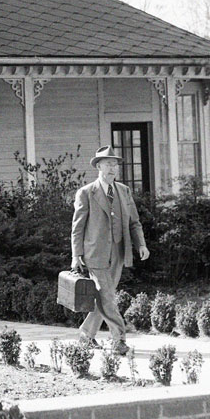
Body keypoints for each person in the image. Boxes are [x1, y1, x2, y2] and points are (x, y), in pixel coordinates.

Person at [70, 145, 149, 351]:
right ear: (98, 167)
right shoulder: (86, 193)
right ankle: (119, 339)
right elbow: (77, 228)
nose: (112, 169)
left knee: (104, 297)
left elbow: (134, 222)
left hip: (119, 253)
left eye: (114, 164)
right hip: (95, 255)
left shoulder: (124, 191)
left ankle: (86, 335)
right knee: (108, 297)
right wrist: (76, 255)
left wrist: (141, 244)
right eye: (107, 164)